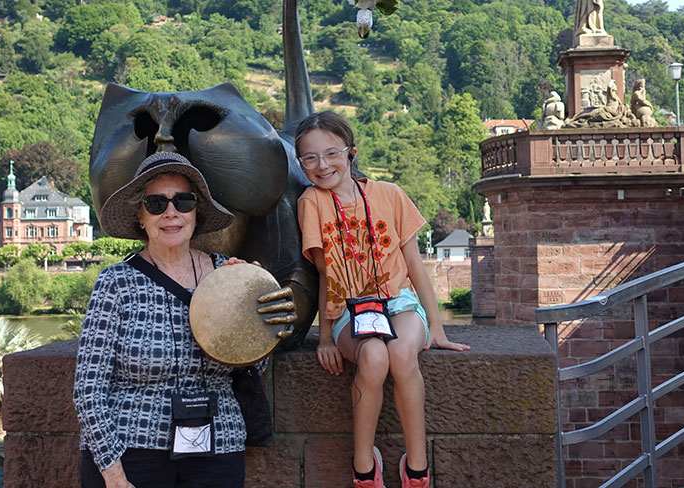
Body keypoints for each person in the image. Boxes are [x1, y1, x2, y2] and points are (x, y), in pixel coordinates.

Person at [73, 152, 293, 488]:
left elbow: (250, 370)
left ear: (197, 212)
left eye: (183, 201)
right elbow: (89, 389)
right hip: (132, 448)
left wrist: (262, 324)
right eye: (156, 203)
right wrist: (112, 472)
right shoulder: (116, 283)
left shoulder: (230, 276)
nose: (171, 212)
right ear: (140, 216)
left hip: (217, 446)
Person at [295, 111, 470, 488]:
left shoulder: (389, 194)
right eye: (310, 158)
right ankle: (364, 466)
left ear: (351, 153)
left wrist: (436, 327)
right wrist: (325, 336)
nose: (322, 165)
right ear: (301, 164)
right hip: (349, 311)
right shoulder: (312, 202)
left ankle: (417, 468)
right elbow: (328, 274)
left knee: (402, 352)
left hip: (400, 302)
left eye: (331, 153)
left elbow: (416, 267)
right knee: (374, 356)